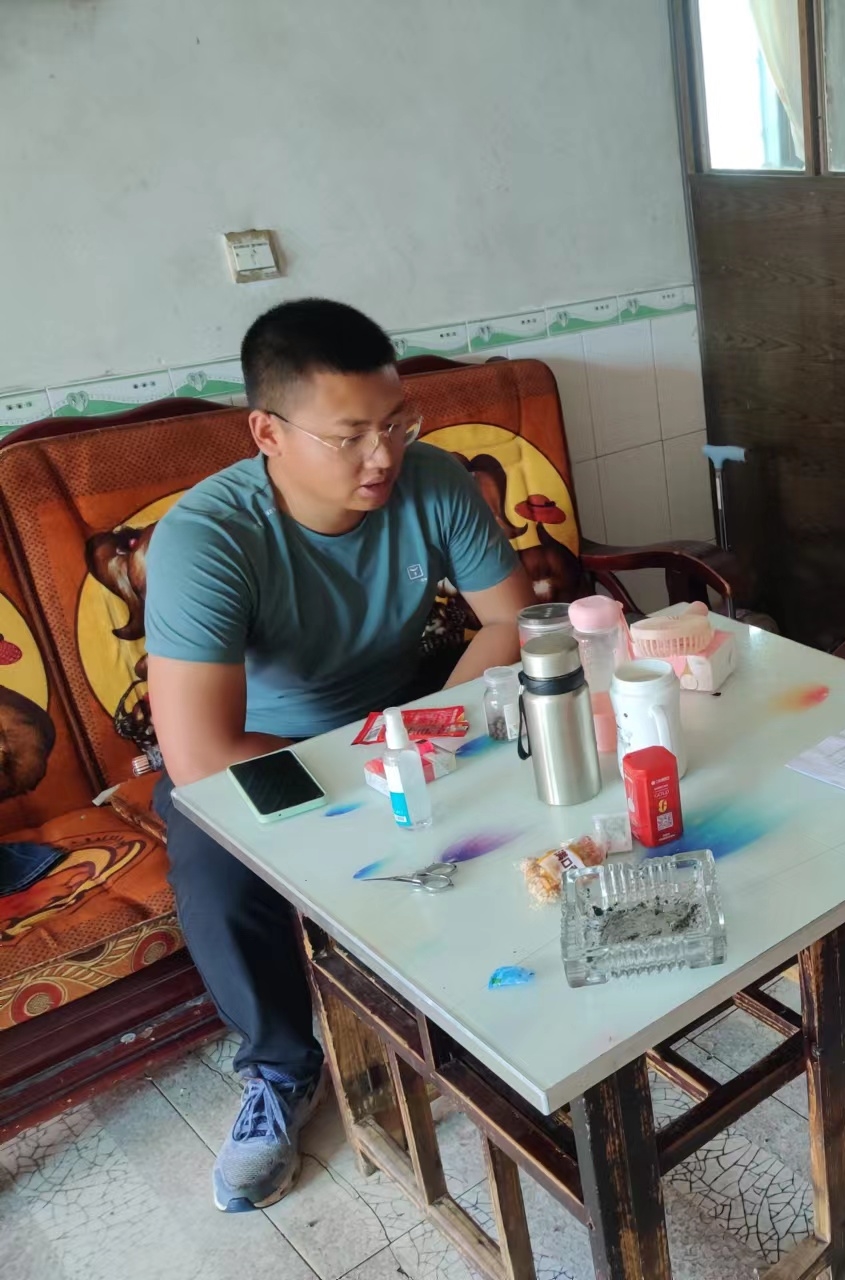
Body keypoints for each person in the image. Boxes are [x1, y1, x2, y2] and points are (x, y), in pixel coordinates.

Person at [146, 299, 535, 1212]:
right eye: (350, 435)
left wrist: (428, 732)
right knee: (211, 861)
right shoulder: (208, 539)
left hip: (408, 708)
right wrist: (381, 761)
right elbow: (201, 752)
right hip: (264, 745)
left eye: (396, 423)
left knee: (533, 748)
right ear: (267, 433)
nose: (382, 457)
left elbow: (513, 621)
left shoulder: (434, 480)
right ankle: (281, 1070)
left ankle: (495, 996)